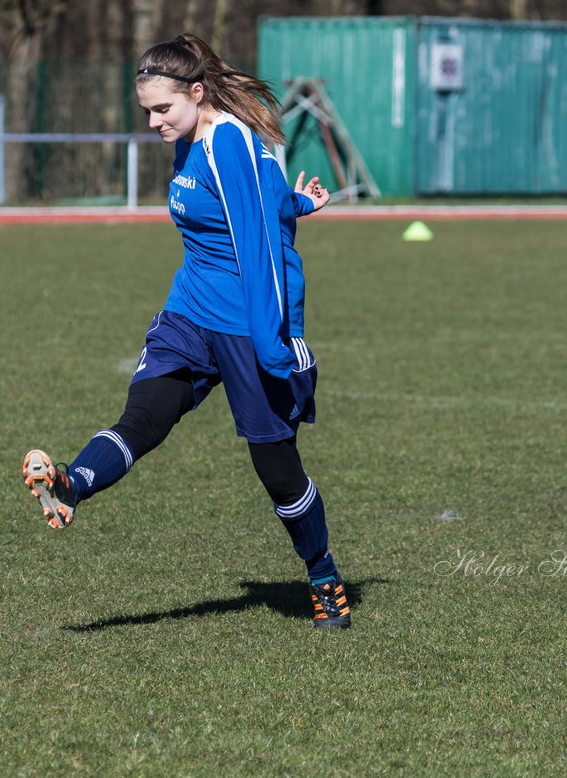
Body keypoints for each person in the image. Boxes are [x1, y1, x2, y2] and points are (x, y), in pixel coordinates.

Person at [22, 33, 351, 629]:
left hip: (252, 323)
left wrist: (274, 343)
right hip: (190, 314)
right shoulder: (189, 135)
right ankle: (73, 482)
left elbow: (258, 250)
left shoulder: (229, 144)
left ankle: (323, 574)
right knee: (144, 415)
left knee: (276, 468)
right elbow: (253, 205)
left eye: (163, 109)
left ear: (197, 94)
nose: (153, 122)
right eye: (146, 111)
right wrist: (296, 204)